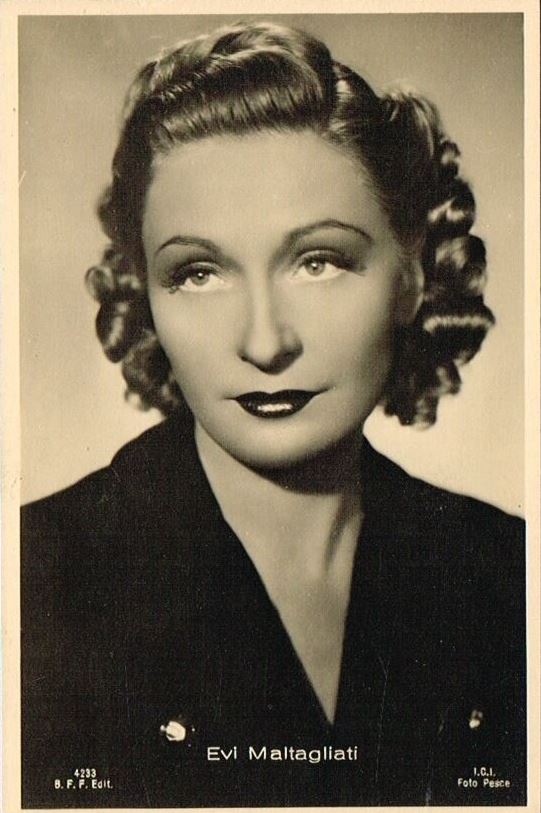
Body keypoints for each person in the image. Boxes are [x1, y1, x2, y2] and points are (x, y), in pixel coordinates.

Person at [21, 21, 526, 808]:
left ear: (412, 275)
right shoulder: (33, 579)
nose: (263, 342)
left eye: (318, 260)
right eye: (197, 272)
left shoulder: (509, 573)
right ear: (146, 296)